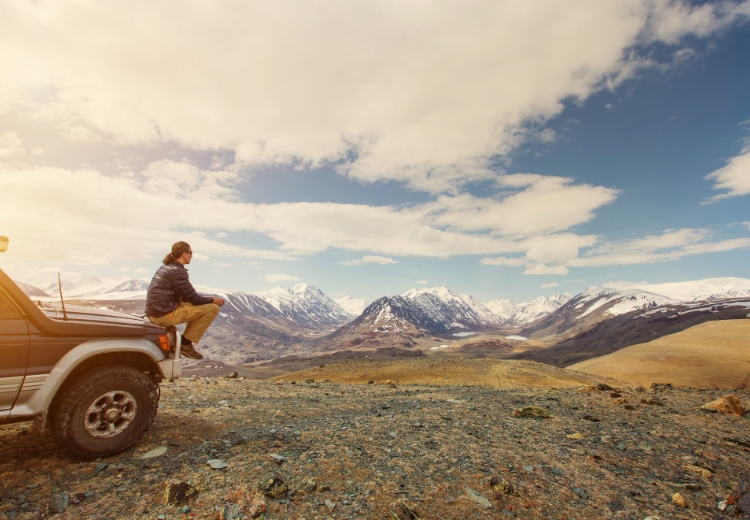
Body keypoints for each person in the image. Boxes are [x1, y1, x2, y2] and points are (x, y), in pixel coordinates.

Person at [145, 241, 225, 360]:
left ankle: (185, 342)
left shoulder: (167, 268)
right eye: (190, 252)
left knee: (196, 305)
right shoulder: (177, 272)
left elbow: (188, 297)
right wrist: (213, 300)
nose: (192, 255)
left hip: (157, 312)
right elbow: (195, 299)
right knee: (212, 308)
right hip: (163, 316)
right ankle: (185, 344)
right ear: (184, 254)